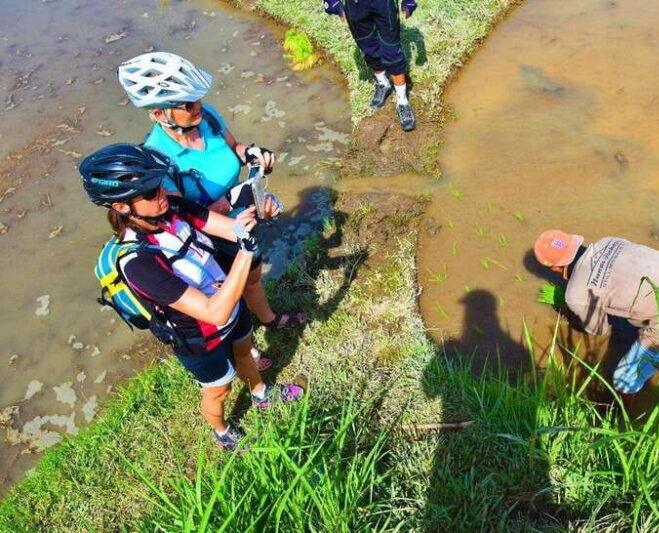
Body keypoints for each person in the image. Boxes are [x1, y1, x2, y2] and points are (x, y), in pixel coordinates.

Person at [79, 143, 304, 451]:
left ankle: (260, 393)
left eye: (159, 185)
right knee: (218, 390)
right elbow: (213, 313)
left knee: (245, 351)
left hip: (231, 302)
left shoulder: (172, 209)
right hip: (200, 338)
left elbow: (229, 227)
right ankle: (222, 429)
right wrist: (245, 251)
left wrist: (258, 211)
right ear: (121, 207)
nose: (161, 194)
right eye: (149, 193)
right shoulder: (137, 263)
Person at [117, 52, 304, 334]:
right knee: (226, 294)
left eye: (198, 99)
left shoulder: (208, 118)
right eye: (189, 104)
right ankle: (244, 346)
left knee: (252, 278)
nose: (199, 107)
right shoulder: (156, 160)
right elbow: (180, 216)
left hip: (242, 219)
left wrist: (252, 154)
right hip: (206, 241)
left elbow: (235, 147)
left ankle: (268, 319)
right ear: (159, 114)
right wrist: (236, 200)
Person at [533, 230, 659, 400]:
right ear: (574, 242)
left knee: (624, 380)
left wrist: (571, 312)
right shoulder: (609, 241)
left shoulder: (576, 294)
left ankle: (621, 414)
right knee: (625, 317)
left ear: (555, 268)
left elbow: (599, 330)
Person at [324, 0, 417, 131]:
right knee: (369, 47)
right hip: (355, 6)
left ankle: (402, 101)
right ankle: (383, 84)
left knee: (392, 51)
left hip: (383, 4)